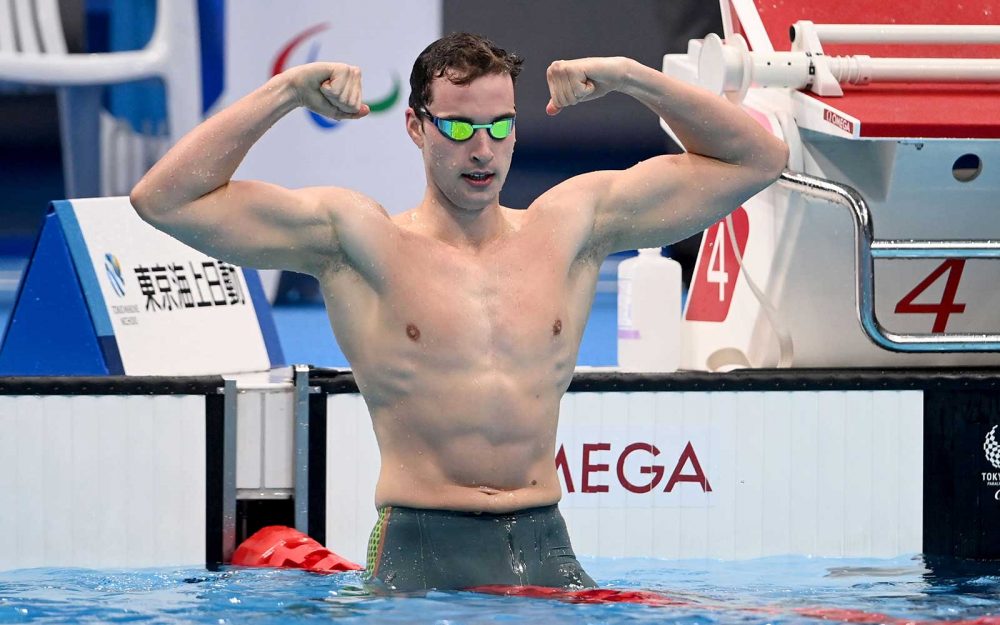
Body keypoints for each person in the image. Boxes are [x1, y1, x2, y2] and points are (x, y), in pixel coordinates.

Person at [130, 32, 788, 592]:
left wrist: (632, 78)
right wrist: (289, 90)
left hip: (546, 545)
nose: (482, 150)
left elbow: (759, 157)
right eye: (460, 128)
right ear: (416, 126)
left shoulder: (572, 227)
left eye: (500, 126)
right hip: (419, 550)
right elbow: (164, 199)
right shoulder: (358, 241)